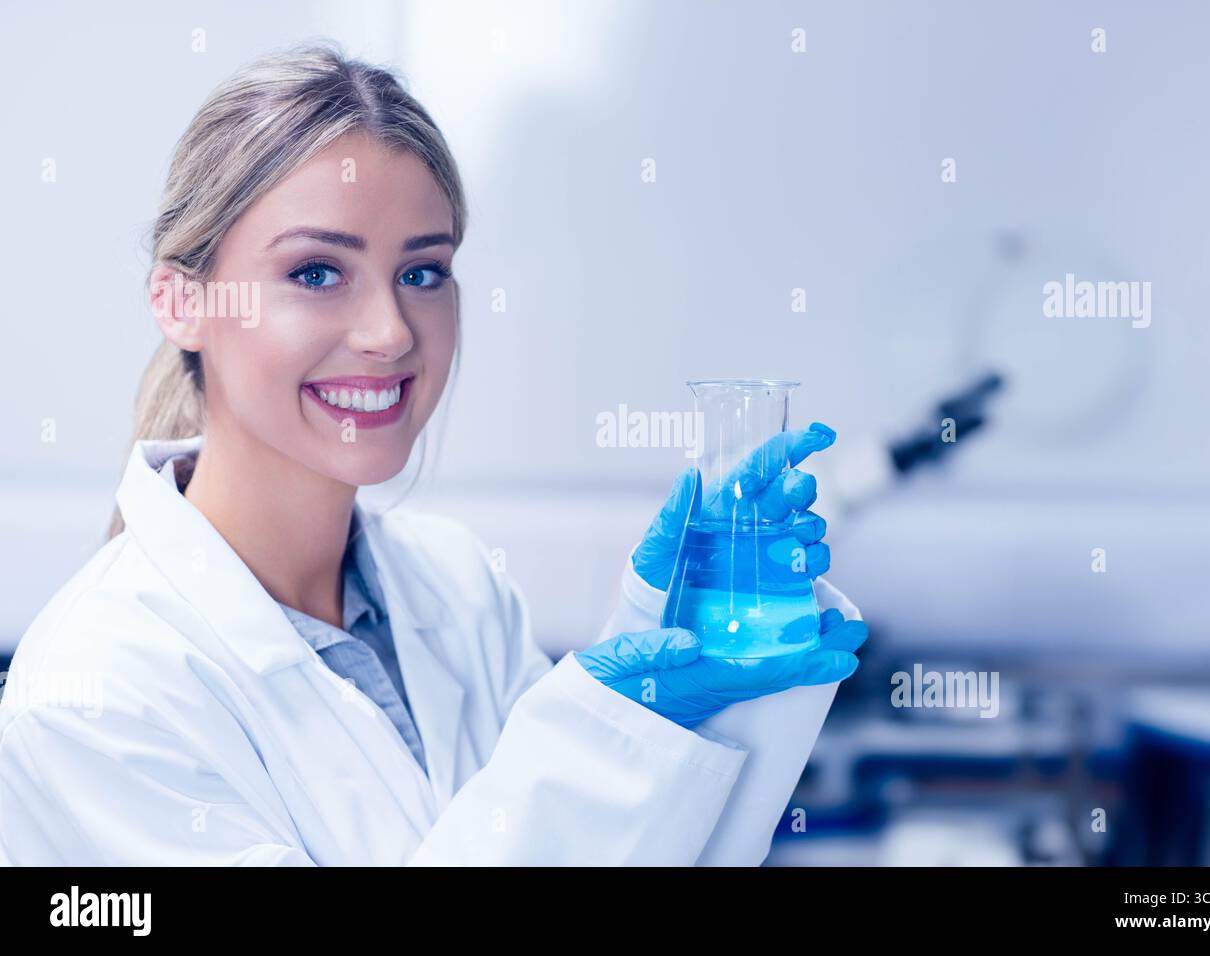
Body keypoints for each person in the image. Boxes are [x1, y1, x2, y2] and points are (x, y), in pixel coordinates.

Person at [0, 43, 866, 866]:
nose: (388, 334)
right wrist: (600, 719)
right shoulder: (96, 695)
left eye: (422, 273)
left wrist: (662, 674)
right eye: (315, 272)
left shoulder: (458, 589)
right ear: (181, 301)